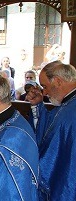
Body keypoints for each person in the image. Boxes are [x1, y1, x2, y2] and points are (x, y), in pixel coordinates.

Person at [25, 61, 76, 200]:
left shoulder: (67, 113)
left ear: (58, 81)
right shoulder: (66, 107)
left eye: (45, 87)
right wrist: (38, 106)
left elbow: (49, 150)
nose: (45, 93)